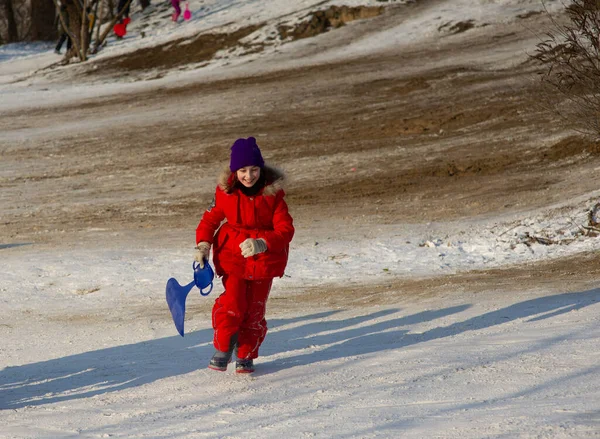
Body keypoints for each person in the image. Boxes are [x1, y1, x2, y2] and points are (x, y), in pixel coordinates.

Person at [195, 137, 295, 374]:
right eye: (242, 170)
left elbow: (285, 229)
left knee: (255, 310)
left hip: (264, 260)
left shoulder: (273, 195)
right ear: (234, 171)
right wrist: (202, 245)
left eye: (253, 170)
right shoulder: (225, 193)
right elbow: (210, 219)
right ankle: (223, 347)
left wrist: (263, 243)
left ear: (261, 169)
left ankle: (246, 354)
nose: (248, 176)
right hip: (233, 256)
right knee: (233, 303)